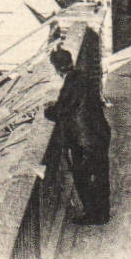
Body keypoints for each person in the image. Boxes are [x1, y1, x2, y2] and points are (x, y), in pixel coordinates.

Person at [43, 47, 111, 225]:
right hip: (99, 132)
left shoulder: (70, 84)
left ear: (57, 69)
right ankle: (103, 212)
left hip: (85, 140)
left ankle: (94, 215)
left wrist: (47, 110)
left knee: (82, 177)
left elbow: (62, 110)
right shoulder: (82, 76)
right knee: (101, 174)